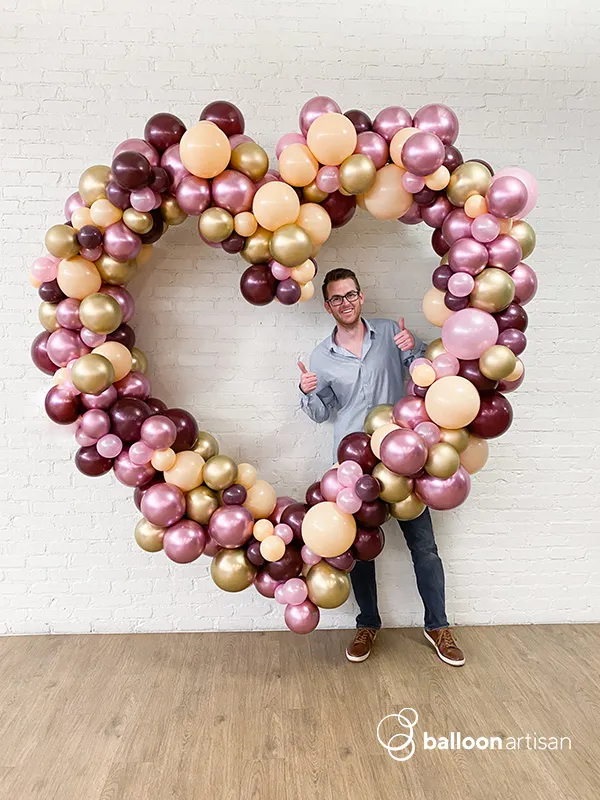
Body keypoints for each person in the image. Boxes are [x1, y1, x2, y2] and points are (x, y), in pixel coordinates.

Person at [298, 267, 465, 667]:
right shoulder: (322, 355)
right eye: (337, 298)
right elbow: (322, 413)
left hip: (405, 458)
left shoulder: (392, 332)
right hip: (354, 466)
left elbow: (428, 377)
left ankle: (438, 625)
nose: (346, 303)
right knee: (359, 551)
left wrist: (413, 350)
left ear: (361, 295)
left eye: (350, 294)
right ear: (328, 306)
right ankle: (367, 623)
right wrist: (307, 393)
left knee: (423, 546)